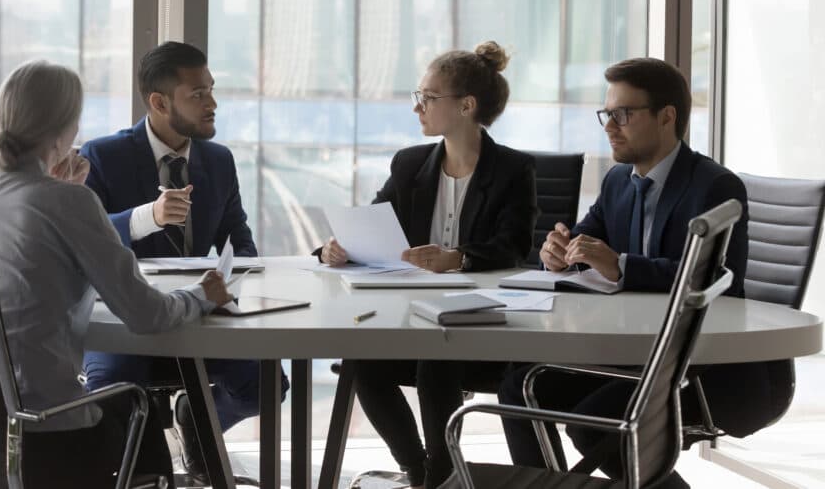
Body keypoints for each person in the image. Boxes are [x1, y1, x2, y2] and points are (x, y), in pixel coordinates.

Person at [0, 60, 233, 488]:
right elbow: (147, 316)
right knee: (141, 413)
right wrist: (203, 294)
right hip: (51, 436)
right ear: (66, 128)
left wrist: (67, 191)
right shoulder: (66, 203)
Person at [499, 57, 776, 488]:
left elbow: (716, 280)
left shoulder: (715, 186)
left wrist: (620, 265)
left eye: (623, 114)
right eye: (607, 114)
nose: (610, 126)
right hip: (631, 353)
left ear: (667, 117)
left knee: (595, 423)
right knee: (519, 390)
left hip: (704, 366)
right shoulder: (617, 182)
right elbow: (584, 243)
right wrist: (559, 252)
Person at [319, 42, 538, 489]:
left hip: (486, 323)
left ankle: (441, 473)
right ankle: (420, 469)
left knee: (436, 361)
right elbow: (374, 227)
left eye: (428, 97)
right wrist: (335, 250)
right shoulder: (410, 164)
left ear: (466, 106)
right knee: (361, 360)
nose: (417, 108)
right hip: (414, 314)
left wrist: (458, 258)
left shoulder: (513, 169)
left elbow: (514, 247)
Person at [79, 41, 287, 480]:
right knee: (113, 393)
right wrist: (145, 218)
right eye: (198, 94)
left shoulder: (218, 159)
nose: (212, 103)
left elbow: (239, 239)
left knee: (267, 385)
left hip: (200, 312)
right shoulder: (102, 156)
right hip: (127, 317)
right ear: (158, 102)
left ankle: (198, 416)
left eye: (211, 90)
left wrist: (240, 284)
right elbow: (84, 238)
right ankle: (139, 471)